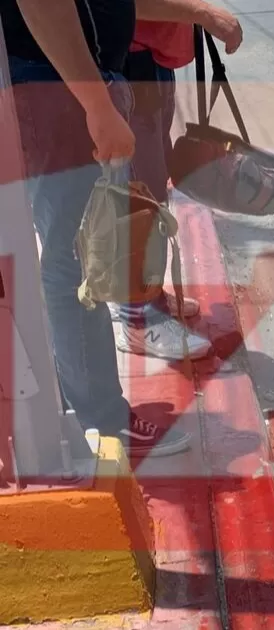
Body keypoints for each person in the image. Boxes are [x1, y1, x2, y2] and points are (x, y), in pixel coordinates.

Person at [1, 0, 233, 456]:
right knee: (78, 261)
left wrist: (201, 14)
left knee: (83, 253)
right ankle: (102, 419)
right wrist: (97, 105)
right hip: (59, 87)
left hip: (68, 84)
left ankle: (84, 397)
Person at [104, 0, 243, 361]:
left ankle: (147, 297)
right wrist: (203, 14)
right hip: (130, 62)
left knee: (151, 187)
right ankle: (138, 319)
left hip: (151, 63)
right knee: (141, 197)